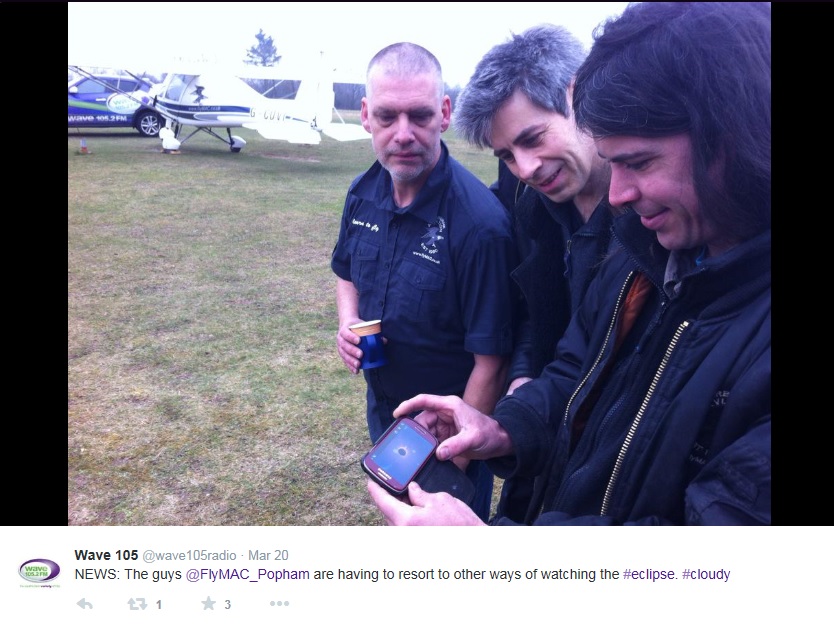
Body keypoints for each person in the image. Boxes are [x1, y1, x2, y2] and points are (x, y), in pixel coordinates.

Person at [367, 1, 771, 526]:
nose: (619, 197)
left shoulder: (645, 239)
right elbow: (580, 365)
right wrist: (505, 427)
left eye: (638, 162)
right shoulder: (651, 248)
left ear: (737, 135)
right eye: (507, 155)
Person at [331, 42, 516, 522]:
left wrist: (453, 460)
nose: (403, 134)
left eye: (419, 115)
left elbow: (492, 363)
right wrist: (348, 322)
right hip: (384, 408)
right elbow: (345, 270)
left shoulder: (480, 225)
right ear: (366, 116)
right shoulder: (362, 193)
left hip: (447, 429)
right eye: (387, 116)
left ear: (445, 113)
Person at [452, 24, 615, 521]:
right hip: (541, 428)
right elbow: (532, 305)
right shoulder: (530, 200)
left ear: (578, 97)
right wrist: (524, 374)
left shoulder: (654, 217)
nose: (524, 167)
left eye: (533, 138)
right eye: (506, 154)